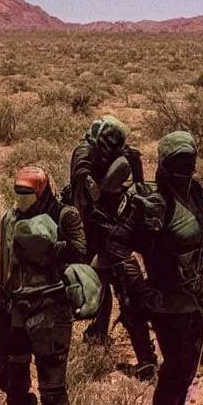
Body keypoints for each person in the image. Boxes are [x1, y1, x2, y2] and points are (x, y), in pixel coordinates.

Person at [106, 132, 203, 405]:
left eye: (190, 160)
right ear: (164, 164)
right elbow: (117, 245)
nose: (186, 168)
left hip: (199, 300)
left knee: (186, 372)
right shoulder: (151, 201)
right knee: (174, 373)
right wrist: (140, 289)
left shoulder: (196, 193)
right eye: (179, 162)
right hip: (167, 303)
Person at [0, 166, 90, 405]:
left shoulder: (65, 216)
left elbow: (81, 255)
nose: (21, 199)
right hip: (12, 313)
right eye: (17, 192)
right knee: (13, 381)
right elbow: (5, 268)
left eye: (27, 193)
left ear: (42, 192)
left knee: (53, 387)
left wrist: (54, 249)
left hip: (50, 312)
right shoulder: (9, 219)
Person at [70, 116, 156, 379]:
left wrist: (135, 173)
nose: (111, 150)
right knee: (94, 288)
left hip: (113, 231)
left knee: (131, 291)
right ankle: (97, 335)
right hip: (88, 229)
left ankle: (144, 359)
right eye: (108, 145)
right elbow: (86, 189)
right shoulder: (84, 152)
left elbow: (138, 188)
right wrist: (105, 185)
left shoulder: (119, 154)